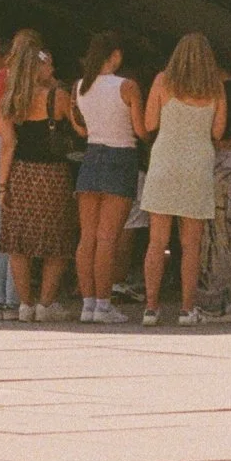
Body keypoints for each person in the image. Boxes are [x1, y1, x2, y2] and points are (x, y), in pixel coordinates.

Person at [0, 29, 81, 322]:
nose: (52, 69)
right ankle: (45, 303)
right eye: (48, 64)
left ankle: (25, 304)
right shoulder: (57, 97)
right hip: (53, 175)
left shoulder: (9, 102)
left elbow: (8, 146)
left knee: (19, 244)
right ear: (39, 67)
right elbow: (81, 129)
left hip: (20, 174)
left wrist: (2, 186)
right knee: (55, 242)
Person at [141, 33, 224, 326]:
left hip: (165, 161)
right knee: (191, 244)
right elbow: (217, 131)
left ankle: (151, 308)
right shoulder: (216, 88)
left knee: (156, 241)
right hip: (197, 165)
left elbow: (150, 123)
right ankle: (188, 309)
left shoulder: (163, 81)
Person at [72, 33, 144, 324]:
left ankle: (88, 303)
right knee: (108, 238)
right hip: (121, 156)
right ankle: (104, 304)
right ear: (114, 56)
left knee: (87, 236)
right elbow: (140, 129)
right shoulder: (127, 86)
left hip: (92, 156)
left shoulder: (79, 86)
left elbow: (81, 127)